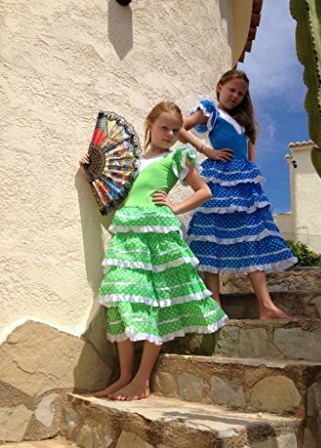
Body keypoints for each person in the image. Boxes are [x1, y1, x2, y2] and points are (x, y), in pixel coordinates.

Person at [80, 101, 227, 401]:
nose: (171, 134)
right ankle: (124, 377)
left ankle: (142, 381)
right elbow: (115, 193)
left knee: (155, 304)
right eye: (164, 127)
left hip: (158, 233)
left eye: (176, 129)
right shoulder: (132, 162)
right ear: (149, 125)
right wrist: (89, 173)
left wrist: (175, 206)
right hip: (128, 234)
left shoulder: (177, 159)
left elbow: (205, 191)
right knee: (121, 300)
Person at [179, 70, 298, 318]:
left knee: (252, 237)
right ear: (219, 86)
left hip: (244, 183)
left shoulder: (242, 122)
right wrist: (205, 149)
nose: (235, 95)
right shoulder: (210, 109)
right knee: (212, 236)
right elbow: (179, 126)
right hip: (219, 178)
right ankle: (215, 305)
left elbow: (246, 153)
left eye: (240, 93)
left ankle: (266, 306)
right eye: (232, 89)